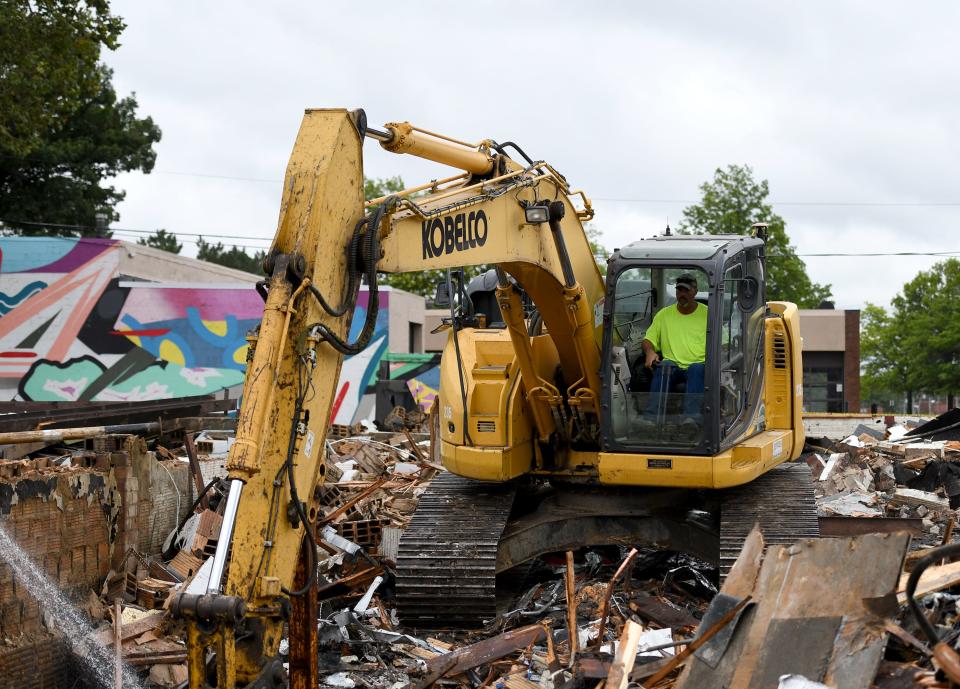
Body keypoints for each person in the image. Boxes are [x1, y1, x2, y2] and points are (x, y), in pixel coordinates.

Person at [640, 273, 707, 418]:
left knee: (697, 369)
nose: (682, 294)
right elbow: (648, 340)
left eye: (686, 291)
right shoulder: (664, 315)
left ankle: (691, 419)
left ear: (695, 291)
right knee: (665, 366)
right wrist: (650, 351)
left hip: (699, 366)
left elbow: (724, 342)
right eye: (679, 290)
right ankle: (651, 419)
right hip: (673, 365)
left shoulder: (708, 314)